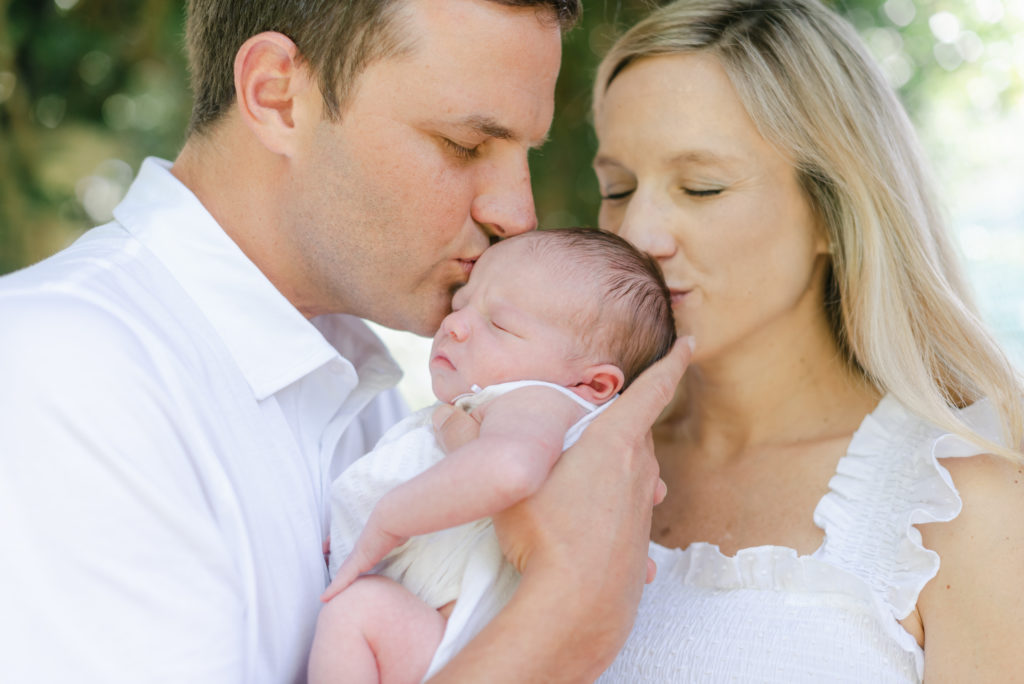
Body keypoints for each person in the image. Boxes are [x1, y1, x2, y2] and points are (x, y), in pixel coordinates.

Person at [0, 1, 693, 682]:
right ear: (276, 95)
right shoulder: (60, 371)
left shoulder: (375, 394)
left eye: (523, 155)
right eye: (466, 144)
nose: (518, 212)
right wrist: (566, 619)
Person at [580, 0, 1024, 681]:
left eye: (701, 188)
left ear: (832, 212)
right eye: (618, 188)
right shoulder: (564, 453)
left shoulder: (957, 511)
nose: (638, 235)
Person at [308, 228, 676, 683]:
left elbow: (510, 470)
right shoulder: (548, 414)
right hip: (457, 644)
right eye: (461, 304)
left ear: (593, 385)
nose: (454, 325)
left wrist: (386, 521)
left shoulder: (541, 399)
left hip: (456, 640)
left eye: (499, 324)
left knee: (356, 613)